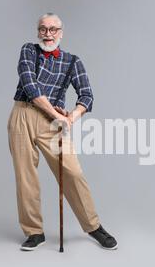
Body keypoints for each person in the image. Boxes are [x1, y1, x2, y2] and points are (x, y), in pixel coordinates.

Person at [7, 13, 118, 251]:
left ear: (61, 33)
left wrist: (72, 116)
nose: (48, 34)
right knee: (26, 176)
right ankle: (34, 232)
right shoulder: (28, 50)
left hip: (52, 123)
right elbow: (30, 86)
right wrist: (60, 115)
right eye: (43, 29)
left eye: (53, 29)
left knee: (73, 172)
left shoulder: (72, 61)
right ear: (38, 32)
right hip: (23, 114)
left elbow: (87, 96)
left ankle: (93, 226)